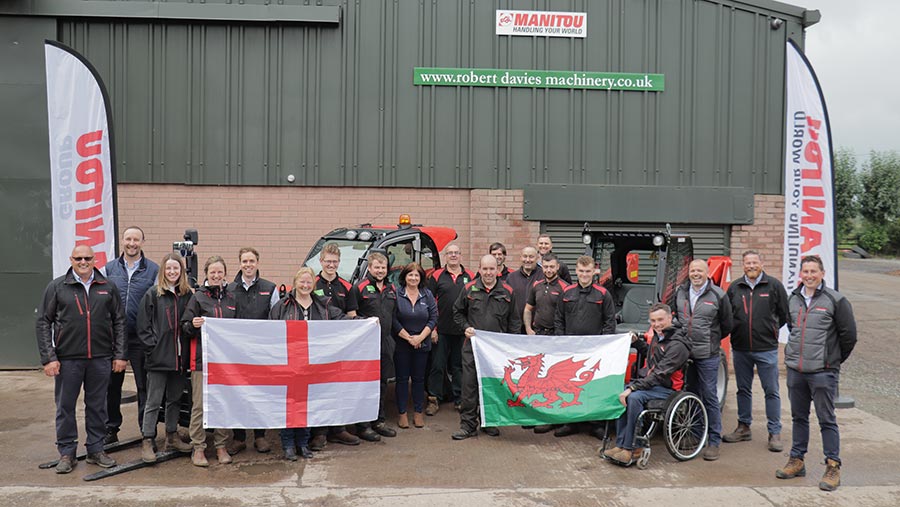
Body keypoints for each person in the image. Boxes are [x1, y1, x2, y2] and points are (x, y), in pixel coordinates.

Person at [36, 245, 127, 473]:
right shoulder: (58, 286)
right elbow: (43, 322)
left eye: (87, 258)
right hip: (68, 360)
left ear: (95, 259)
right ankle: (67, 452)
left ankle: (96, 449)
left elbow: (119, 322)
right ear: (71, 260)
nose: (83, 262)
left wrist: (120, 355)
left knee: (97, 406)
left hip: (100, 358)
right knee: (65, 406)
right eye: (78, 258)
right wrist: (49, 358)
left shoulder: (107, 286)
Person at [776, 255, 856, 491]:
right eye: (805, 271)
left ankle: (833, 466)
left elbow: (849, 336)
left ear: (822, 273)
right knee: (798, 418)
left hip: (823, 372)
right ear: (800, 274)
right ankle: (797, 460)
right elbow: (793, 329)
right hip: (796, 371)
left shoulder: (836, 300)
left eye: (814, 271)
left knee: (826, 419)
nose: (809, 275)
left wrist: (832, 361)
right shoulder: (793, 299)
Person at [269, 267, 350, 460]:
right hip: (288, 363)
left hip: (313, 363)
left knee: (307, 405)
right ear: (295, 282)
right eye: (302, 282)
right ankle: (288, 444)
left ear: (313, 284)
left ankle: (303, 444)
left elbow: (343, 319)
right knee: (289, 405)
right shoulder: (282, 306)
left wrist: (366, 322)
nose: (305, 286)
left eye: (308, 282)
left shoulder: (323, 305)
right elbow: (270, 331)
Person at [602, 303, 691, 466]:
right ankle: (620, 444)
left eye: (660, 320)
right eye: (653, 321)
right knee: (619, 393)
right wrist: (636, 343)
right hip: (652, 384)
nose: (656, 324)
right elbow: (652, 358)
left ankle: (631, 448)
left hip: (667, 388)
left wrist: (633, 387)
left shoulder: (678, 344)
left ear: (670, 317)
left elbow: (659, 373)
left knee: (634, 397)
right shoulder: (659, 336)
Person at [723, 250, 789, 452]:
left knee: (771, 391)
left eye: (754, 262)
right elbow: (727, 315)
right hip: (741, 348)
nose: (751, 266)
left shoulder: (774, 286)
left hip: (766, 349)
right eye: (747, 263)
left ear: (761, 263)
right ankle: (744, 427)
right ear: (743, 265)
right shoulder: (734, 287)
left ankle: (774, 432)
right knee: (743, 389)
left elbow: (784, 314)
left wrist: (771, 330)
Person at [451, 254, 521, 440]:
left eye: (492, 269)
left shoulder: (507, 291)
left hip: (496, 351)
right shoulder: (469, 289)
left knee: (492, 386)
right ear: (479, 269)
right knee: (470, 386)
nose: (488, 272)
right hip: (472, 347)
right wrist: (465, 327)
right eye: (485, 269)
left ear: (498, 270)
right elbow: (457, 312)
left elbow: (514, 321)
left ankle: (489, 422)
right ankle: (468, 425)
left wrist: (510, 347)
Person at [103, 226, 159, 444]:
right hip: (114, 338)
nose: (132, 243)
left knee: (143, 386)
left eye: (136, 239)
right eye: (128, 239)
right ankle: (111, 429)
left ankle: (146, 432)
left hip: (140, 338)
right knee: (111, 385)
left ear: (142, 242)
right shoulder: (108, 269)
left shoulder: (153, 270)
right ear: (123, 241)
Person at [136, 253, 194, 462]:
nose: (172, 272)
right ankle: (147, 439)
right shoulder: (153, 294)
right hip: (159, 359)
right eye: (168, 269)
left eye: (176, 269)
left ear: (181, 272)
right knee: (153, 401)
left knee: (175, 399)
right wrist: (153, 348)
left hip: (179, 359)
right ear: (163, 271)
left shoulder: (187, 295)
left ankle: (172, 435)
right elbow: (142, 327)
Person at [674, 259, 733, 461]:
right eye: (692, 270)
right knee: (691, 393)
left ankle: (714, 441)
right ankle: (696, 434)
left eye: (699, 270)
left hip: (708, 354)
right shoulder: (680, 292)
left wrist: (712, 340)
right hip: (686, 353)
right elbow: (676, 317)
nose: (695, 274)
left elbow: (727, 324)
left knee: (709, 395)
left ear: (707, 273)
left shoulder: (718, 295)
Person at [181, 256, 237, 467]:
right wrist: (193, 324)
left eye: (219, 272)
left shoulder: (232, 298)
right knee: (200, 406)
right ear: (206, 274)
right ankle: (199, 448)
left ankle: (221, 445)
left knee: (223, 404)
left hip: (224, 363)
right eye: (212, 272)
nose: (216, 276)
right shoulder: (198, 298)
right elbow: (185, 326)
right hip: (201, 361)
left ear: (225, 274)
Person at [553, 255, 617, 438]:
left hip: (594, 350)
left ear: (594, 272)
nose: (584, 274)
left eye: (588, 271)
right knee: (568, 386)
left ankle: (595, 423)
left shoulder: (603, 294)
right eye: (581, 271)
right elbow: (558, 319)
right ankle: (570, 422)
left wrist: (603, 346)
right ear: (576, 271)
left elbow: (609, 322)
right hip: (570, 350)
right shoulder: (567, 293)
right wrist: (561, 341)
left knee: (593, 387)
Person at [226, 247, 279, 455]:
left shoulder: (270, 288)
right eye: (244, 261)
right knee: (238, 394)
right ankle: (239, 438)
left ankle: (260, 436)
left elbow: (276, 319)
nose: (248, 265)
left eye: (251, 261)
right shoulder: (229, 289)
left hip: (261, 353)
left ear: (257, 262)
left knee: (260, 394)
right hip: (236, 352)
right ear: (239, 264)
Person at [308, 242, 361, 450]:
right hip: (317, 347)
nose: (331, 265)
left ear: (339, 263)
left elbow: (352, 316)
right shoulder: (311, 283)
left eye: (334, 261)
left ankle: (339, 429)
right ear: (320, 261)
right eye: (327, 261)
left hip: (340, 347)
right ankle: (319, 432)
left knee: (339, 387)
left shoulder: (348, 287)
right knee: (319, 388)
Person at [348, 252, 398, 441]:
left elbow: (395, 316)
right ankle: (363, 425)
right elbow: (351, 315)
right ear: (369, 268)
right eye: (376, 267)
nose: (380, 270)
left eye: (383, 267)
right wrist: (366, 321)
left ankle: (379, 420)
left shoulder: (391, 288)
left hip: (385, 343)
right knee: (365, 384)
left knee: (382, 383)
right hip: (365, 346)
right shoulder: (358, 288)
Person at [425, 243, 474, 415]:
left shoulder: (471, 276)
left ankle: (460, 399)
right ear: (445, 256)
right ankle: (433, 399)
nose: (453, 255)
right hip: (441, 331)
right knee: (437, 366)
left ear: (461, 255)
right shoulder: (437, 276)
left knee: (459, 366)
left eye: (456, 253)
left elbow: (473, 304)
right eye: (450, 253)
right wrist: (433, 328)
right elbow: (430, 304)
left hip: (462, 331)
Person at [523, 253, 568, 434]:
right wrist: (528, 329)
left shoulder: (565, 287)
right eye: (546, 267)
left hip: (555, 339)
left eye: (552, 267)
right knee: (537, 380)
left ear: (557, 267)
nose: (549, 270)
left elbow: (567, 316)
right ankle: (536, 415)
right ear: (542, 267)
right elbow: (528, 309)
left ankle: (552, 419)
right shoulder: (536, 286)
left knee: (552, 382)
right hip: (538, 337)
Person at [392, 263, 438, 429]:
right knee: (402, 380)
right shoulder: (396, 294)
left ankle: (418, 412)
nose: (413, 278)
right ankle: (402, 413)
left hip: (422, 344)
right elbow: (393, 319)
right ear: (404, 277)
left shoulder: (427, 294)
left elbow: (433, 318)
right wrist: (408, 338)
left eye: (417, 275)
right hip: (402, 344)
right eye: (410, 275)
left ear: (421, 278)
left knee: (419, 380)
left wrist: (419, 338)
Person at [506, 246, 543, 333]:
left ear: (537, 258)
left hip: (537, 329)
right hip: (516, 328)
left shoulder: (543, 276)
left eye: (531, 257)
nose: (527, 260)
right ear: (520, 257)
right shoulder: (511, 277)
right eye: (525, 256)